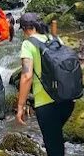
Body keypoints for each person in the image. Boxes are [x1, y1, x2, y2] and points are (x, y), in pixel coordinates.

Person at [16, 12, 75, 156]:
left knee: (53, 148)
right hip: (67, 99)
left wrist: (20, 106)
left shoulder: (28, 44)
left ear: (25, 29)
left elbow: (26, 75)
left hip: (46, 104)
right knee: (56, 142)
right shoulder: (55, 39)